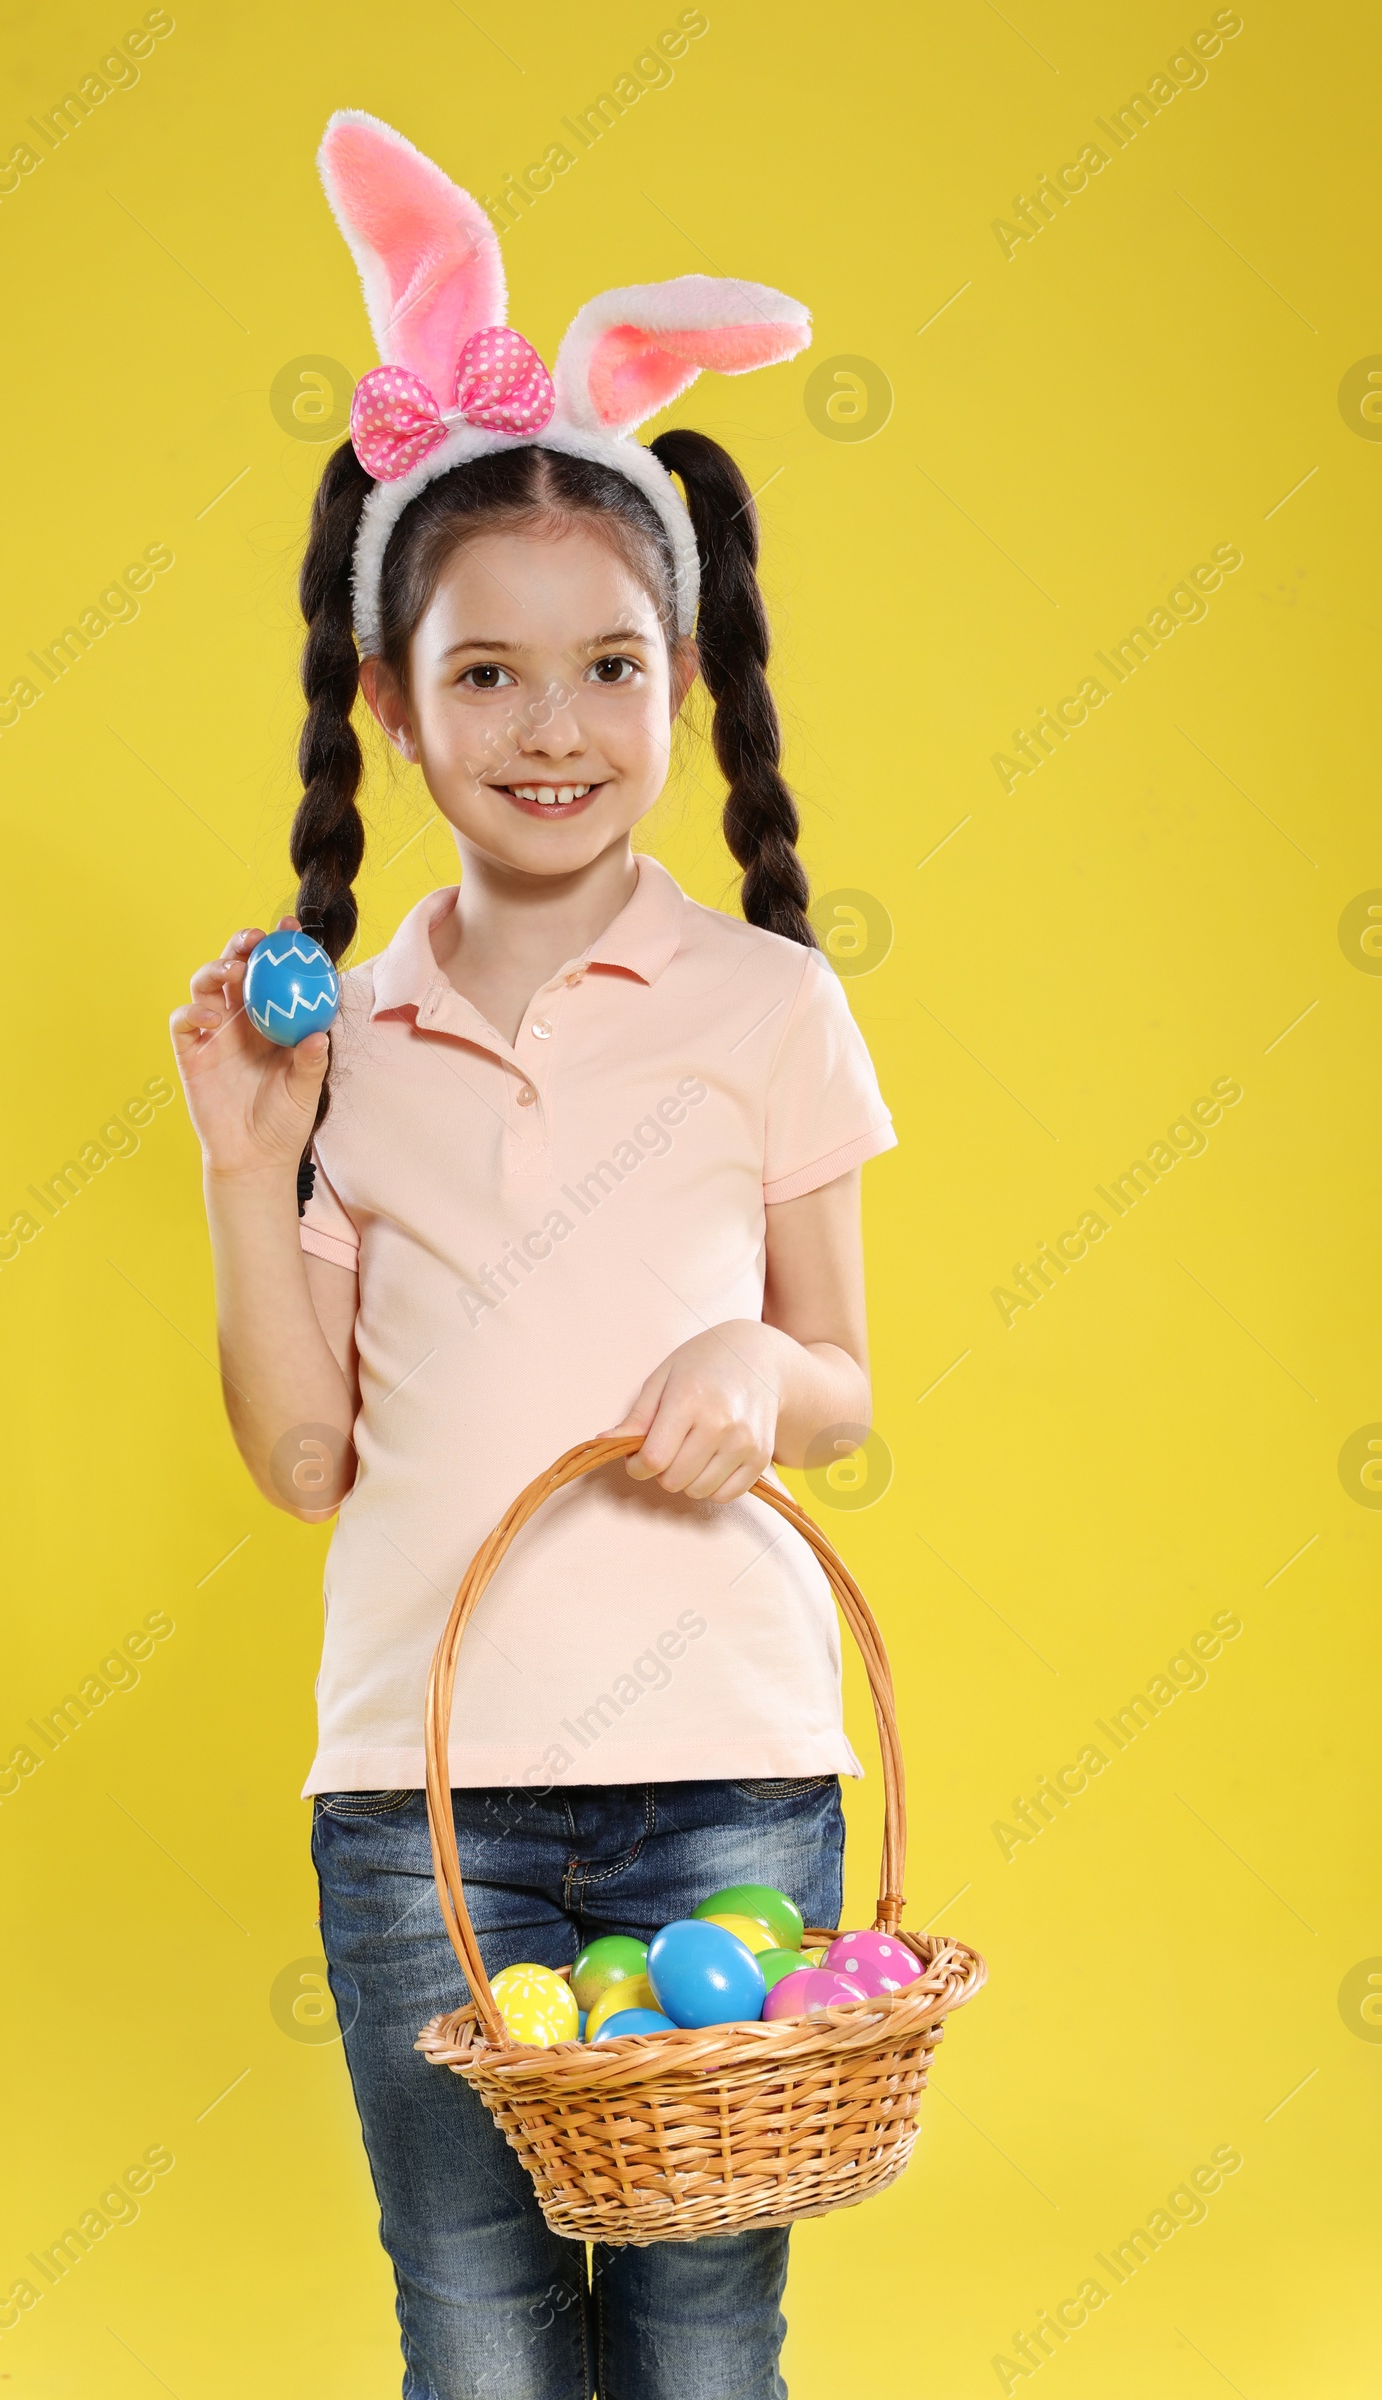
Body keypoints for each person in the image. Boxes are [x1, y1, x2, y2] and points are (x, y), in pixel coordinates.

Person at [171, 111, 897, 2400]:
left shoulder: (767, 1006)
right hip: (423, 1788)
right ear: (395, 705)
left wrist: (745, 1373)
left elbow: (843, 1377)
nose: (551, 729)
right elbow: (302, 1457)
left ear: (682, 682)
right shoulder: (346, 1042)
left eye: (607, 669)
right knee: (475, 2338)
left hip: (724, 1774)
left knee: (699, 2338)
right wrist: (239, 1161)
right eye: (485, 678)